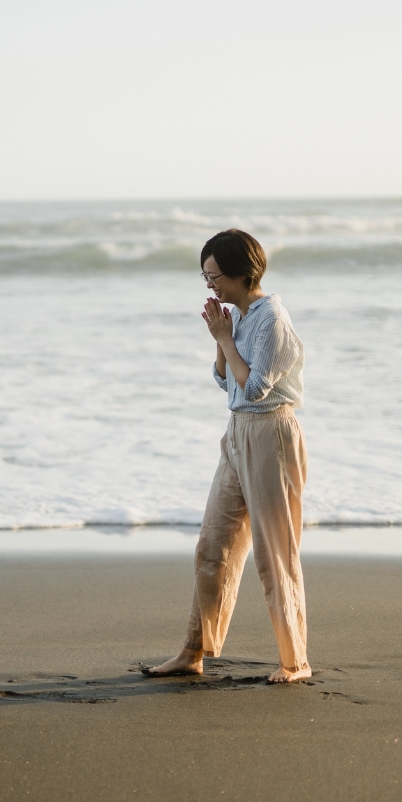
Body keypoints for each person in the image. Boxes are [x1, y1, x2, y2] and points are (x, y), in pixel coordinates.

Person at [145, 229, 311, 683]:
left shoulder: (272, 319)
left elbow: (256, 386)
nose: (209, 284)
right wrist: (220, 336)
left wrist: (226, 337)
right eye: (204, 276)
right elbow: (226, 381)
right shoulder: (239, 316)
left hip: (271, 433)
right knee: (211, 546)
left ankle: (294, 660)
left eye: (214, 275)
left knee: (274, 553)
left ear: (241, 271)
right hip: (237, 433)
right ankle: (192, 650)